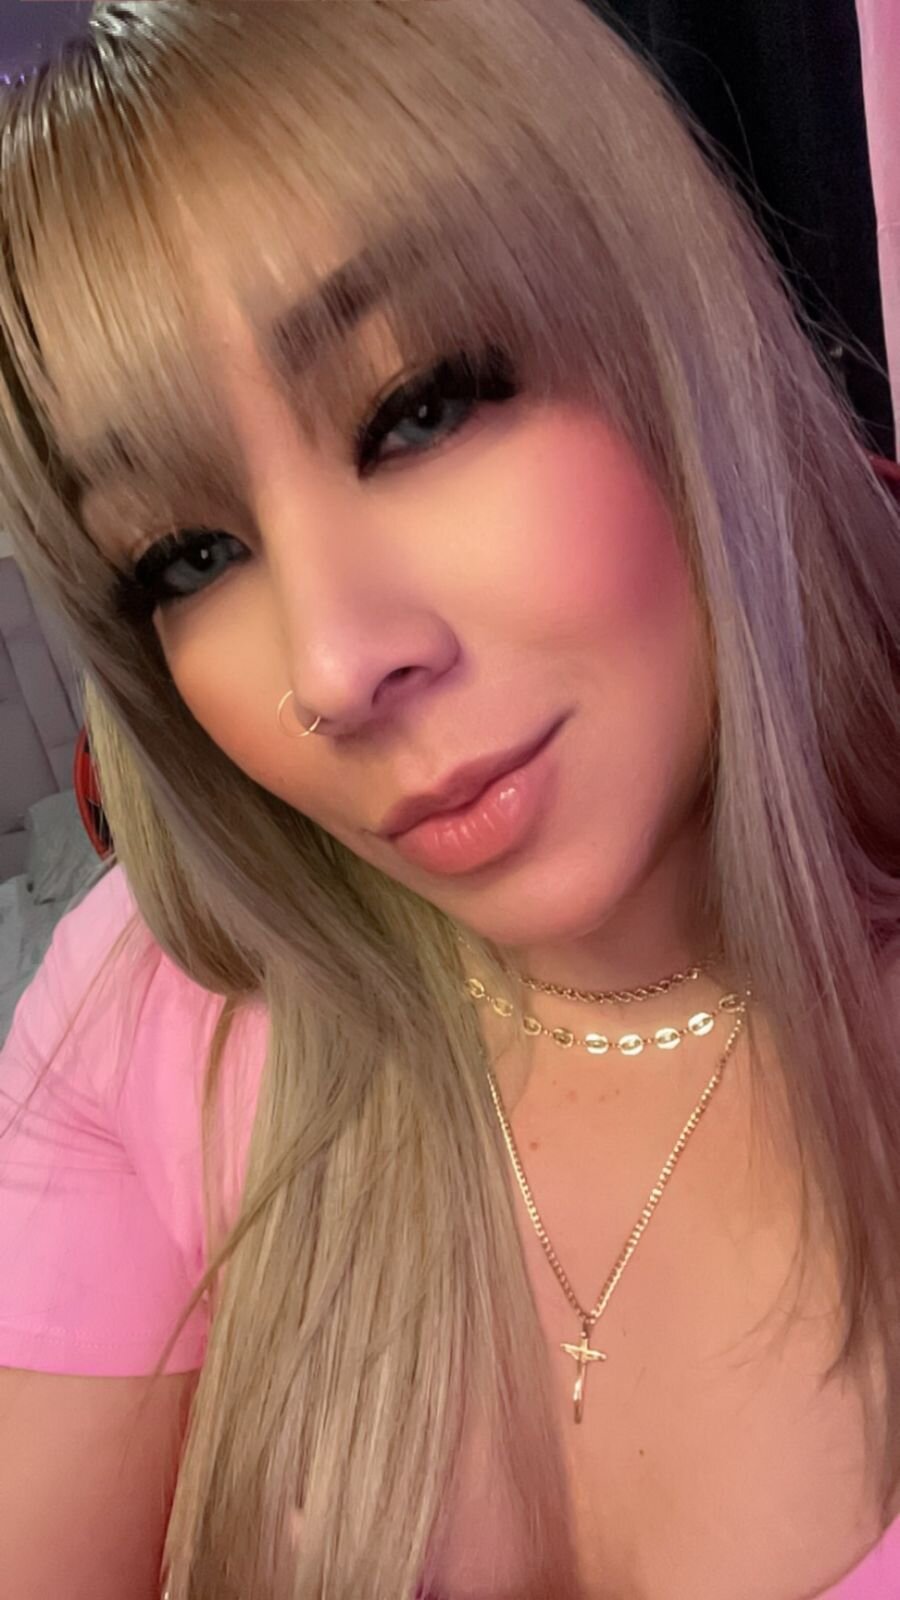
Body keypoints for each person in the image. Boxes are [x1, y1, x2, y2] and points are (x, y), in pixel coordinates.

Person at [0, 3, 898, 1597]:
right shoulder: (151, 1010)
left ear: (665, 327)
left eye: (420, 408)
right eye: (187, 558)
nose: (335, 667)